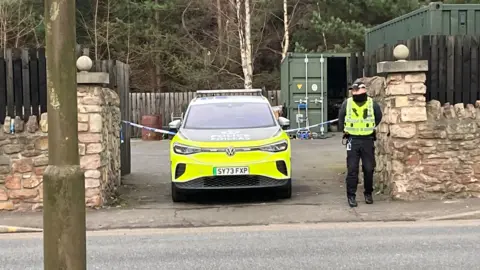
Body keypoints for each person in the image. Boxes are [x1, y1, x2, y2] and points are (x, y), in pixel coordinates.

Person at [337, 81, 382, 207]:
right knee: (352, 170)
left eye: (357, 89)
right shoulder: (348, 103)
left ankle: (368, 193)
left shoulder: (372, 103)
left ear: (364, 90)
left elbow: (378, 117)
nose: (354, 92)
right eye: (353, 90)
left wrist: (369, 128)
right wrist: (346, 131)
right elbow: (341, 119)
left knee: (368, 169)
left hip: (367, 140)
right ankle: (351, 196)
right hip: (353, 140)